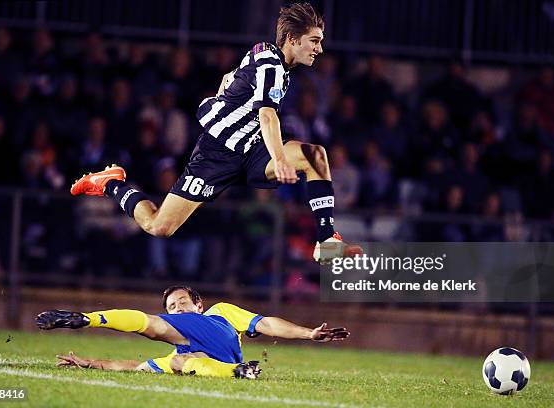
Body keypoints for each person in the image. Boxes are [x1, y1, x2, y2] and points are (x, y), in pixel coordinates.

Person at [69, 3, 363, 263]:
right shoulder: (272, 66)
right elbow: (267, 114)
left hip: (250, 149)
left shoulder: (264, 54)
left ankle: (326, 241)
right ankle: (111, 183)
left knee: (314, 156)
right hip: (217, 154)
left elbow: (229, 79)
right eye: (314, 40)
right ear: (292, 39)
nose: (319, 49)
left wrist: (224, 99)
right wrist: (280, 159)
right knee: (160, 226)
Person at [36, 285, 349, 379]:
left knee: (153, 325)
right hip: (212, 360)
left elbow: (266, 324)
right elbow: (133, 366)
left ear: (198, 304)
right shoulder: (178, 350)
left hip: (217, 335)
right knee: (176, 363)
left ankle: (85, 319)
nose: (178, 307)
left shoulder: (220, 312)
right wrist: (89, 363)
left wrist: (308, 334)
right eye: (172, 305)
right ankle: (240, 373)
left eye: (182, 301)